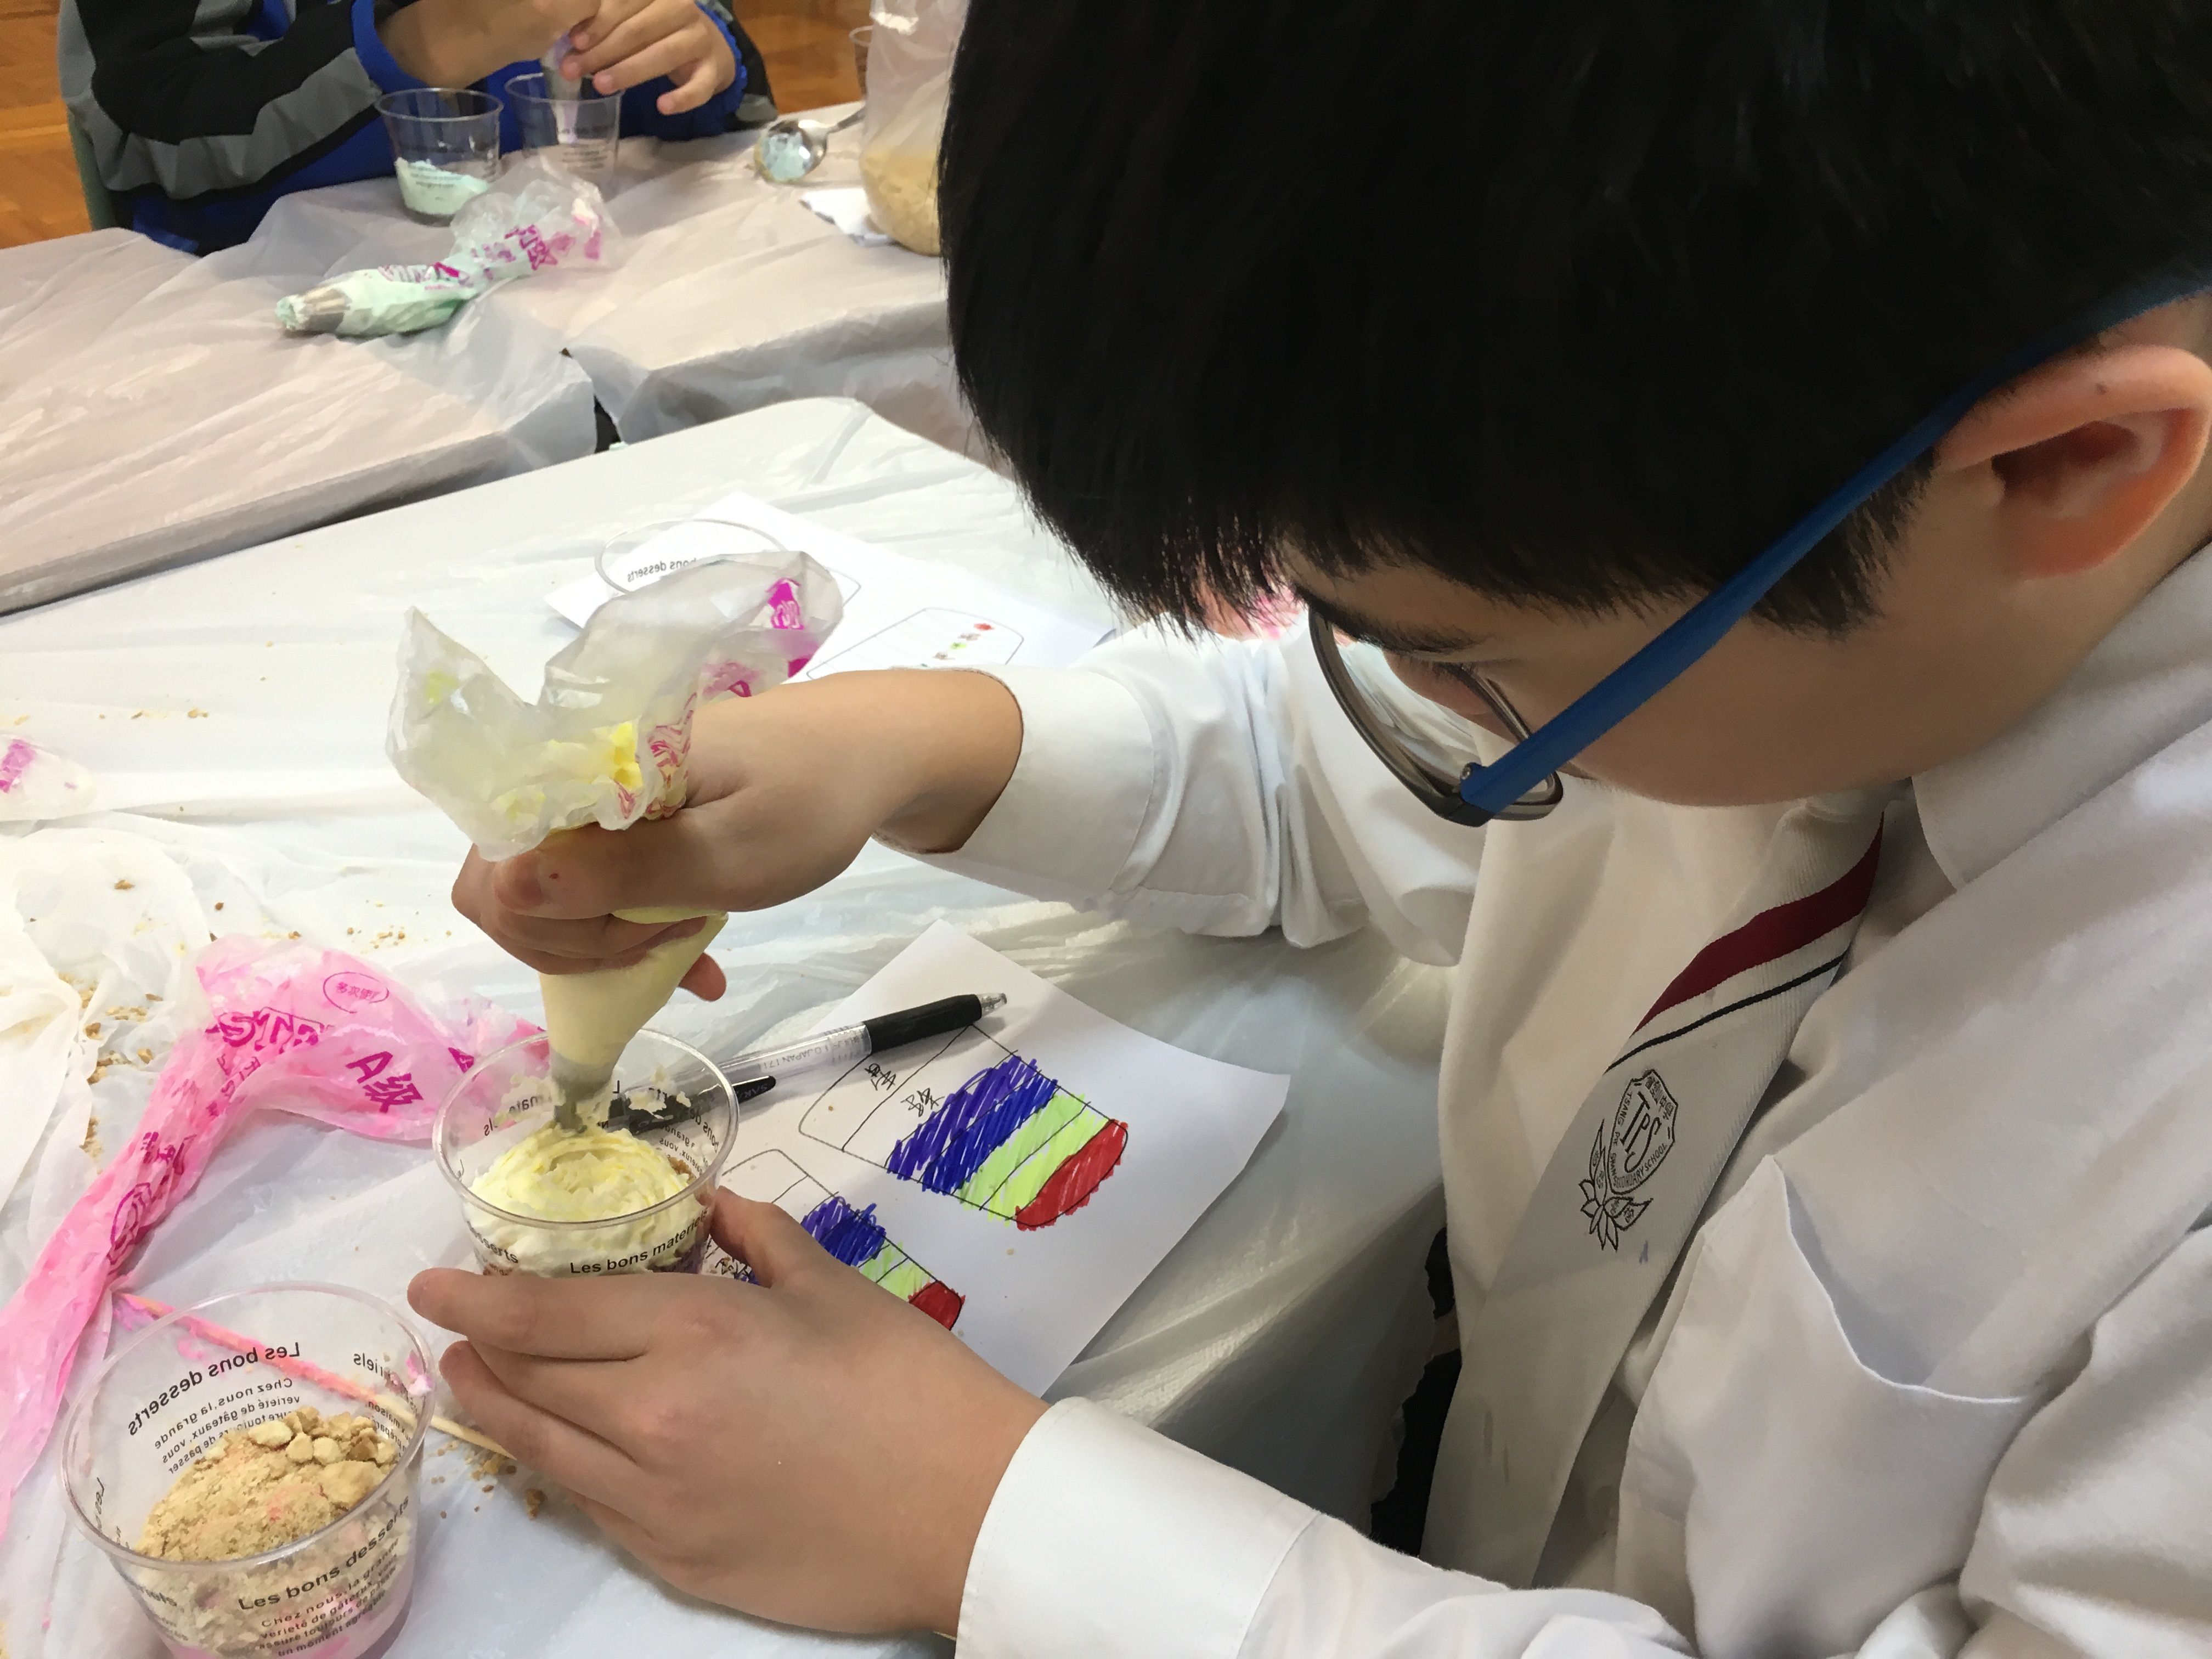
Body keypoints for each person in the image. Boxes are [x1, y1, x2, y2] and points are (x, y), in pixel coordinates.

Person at [410, 2, 2212, 1654]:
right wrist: (911, 750)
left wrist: (987, 1527)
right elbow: (1362, 771)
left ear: (2065, 466)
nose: (1423, 700)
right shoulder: (1783, 565)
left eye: (1471, 659)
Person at [60, 0, 775, 253]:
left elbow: (738, 114)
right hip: (296, 359)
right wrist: (408, 51)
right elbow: (151, 142)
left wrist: (695, 56)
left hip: (594, 303)